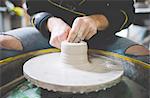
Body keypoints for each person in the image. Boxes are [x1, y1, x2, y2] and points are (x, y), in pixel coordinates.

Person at [0, 0, 149, 62]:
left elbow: (127, 13)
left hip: (101, 38)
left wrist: (96, 21)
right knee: (3, 44)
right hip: (52, 35)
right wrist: (52, 23)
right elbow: (33, 9)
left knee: (143, 57)